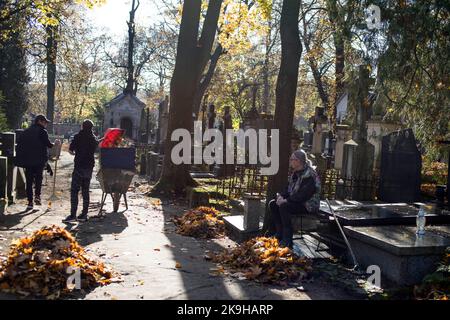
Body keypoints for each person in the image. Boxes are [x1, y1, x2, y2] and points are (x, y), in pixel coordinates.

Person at [269, 149, 321, 248]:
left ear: (298, 161)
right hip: (297, 202)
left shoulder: (309, 175)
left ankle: (287, 239)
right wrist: (280, 196)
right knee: (273, 204)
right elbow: (288, 189)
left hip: (308, 205)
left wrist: (286, 200)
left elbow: (304, 195)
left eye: (292, 159)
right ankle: (279, 233)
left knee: (284, 206)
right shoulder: (295, 173)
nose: (290, 161)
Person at [15, 114, 54, 210]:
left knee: (29, 180)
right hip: (39, 160)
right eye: (44, 122)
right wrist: (55, 144)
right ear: (39, 121)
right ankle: (37, 196)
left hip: (27, 160)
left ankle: (30, 201)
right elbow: (48, 145)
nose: (46, 124)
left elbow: (20, 144)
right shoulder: (42, 131)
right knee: (38, 178)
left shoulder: (26, 131)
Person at [63, 119, 98, 222]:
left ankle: (73, 215)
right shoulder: (93, 139)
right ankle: (84, 215)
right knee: (85, 190)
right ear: (91, 128)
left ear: (82, 126)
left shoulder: (78, 137)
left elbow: (70, 150)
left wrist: (74, 154)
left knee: (74, 190)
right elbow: (96, 149)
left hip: (79, 166)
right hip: (89, 167)